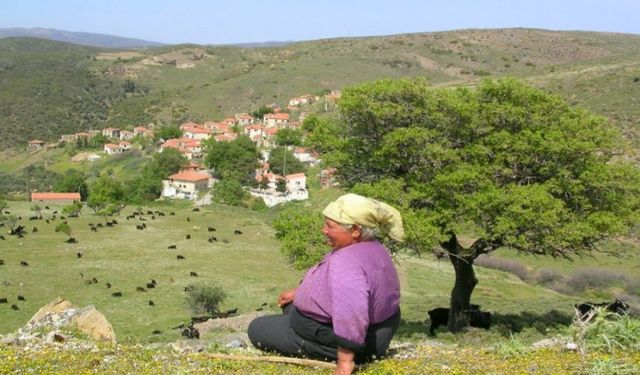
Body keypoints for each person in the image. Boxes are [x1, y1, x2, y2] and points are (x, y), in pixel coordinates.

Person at [248, 193, 404, 375]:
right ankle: (295, 321)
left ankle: (311, 344)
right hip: (380, 330)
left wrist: (345, 362)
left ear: (355, 230)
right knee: (290, 307)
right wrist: (300, 293)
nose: (324, 230)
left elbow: (352, 310)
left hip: (358, 341)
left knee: (257, 328)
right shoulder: (370, 247)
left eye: (330, 226)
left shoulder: (346, 262)